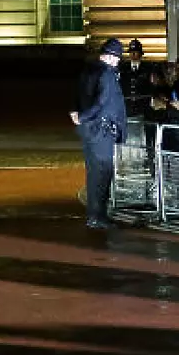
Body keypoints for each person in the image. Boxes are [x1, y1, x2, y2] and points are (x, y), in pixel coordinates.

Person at [71, 38, 127, 231]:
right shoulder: (107, 74)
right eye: (118, 57)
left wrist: (77, 114)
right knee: (103, 173)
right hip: (100, 130)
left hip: (90, 130)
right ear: (112, 57)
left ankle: (95, 215)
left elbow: (78, 94)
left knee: (94, 173)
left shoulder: (89, 70)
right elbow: (102, 102)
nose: (119, 61)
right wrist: (84, 116)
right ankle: (97, 217)